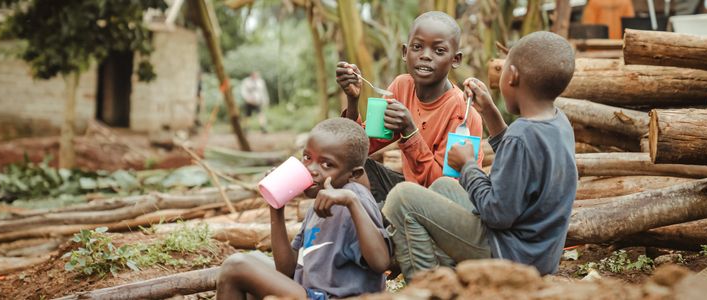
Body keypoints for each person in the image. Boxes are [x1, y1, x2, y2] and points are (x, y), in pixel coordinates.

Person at [382, 31, 578, 279]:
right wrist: (491, 113)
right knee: (443, 186)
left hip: (510, 255)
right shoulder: (558, 123)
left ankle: (428, 287)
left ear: (512, 77)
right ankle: (447, 272)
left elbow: (497, 214)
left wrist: (467, 166)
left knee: (403, 198)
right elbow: (521, 161)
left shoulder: (522, 134)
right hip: (535, 252)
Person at [216, 118, 391, 299]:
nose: (311, 169)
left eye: (326, 164)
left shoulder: (356, 197)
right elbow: (286, 270)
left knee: (236, 266)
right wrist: (276, 205)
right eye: (307, 157)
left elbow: (380, 263)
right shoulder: (318, 203)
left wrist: (351, 202)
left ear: (353, 174)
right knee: (254, 266)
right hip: (308, 291)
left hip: (331, 297)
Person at [336, 11, 486, 205]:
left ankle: (380, 224)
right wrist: (353, 101)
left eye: (439, 51)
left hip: (446, 209)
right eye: (417, 47)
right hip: (409, 191)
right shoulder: (401, 87)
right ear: (405, 53)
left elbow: (444, 190)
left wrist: (410, 132)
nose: (425, 56)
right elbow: (358, 149)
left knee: (385, 208)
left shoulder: (464, 114)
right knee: (352, 167)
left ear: (455, 59)